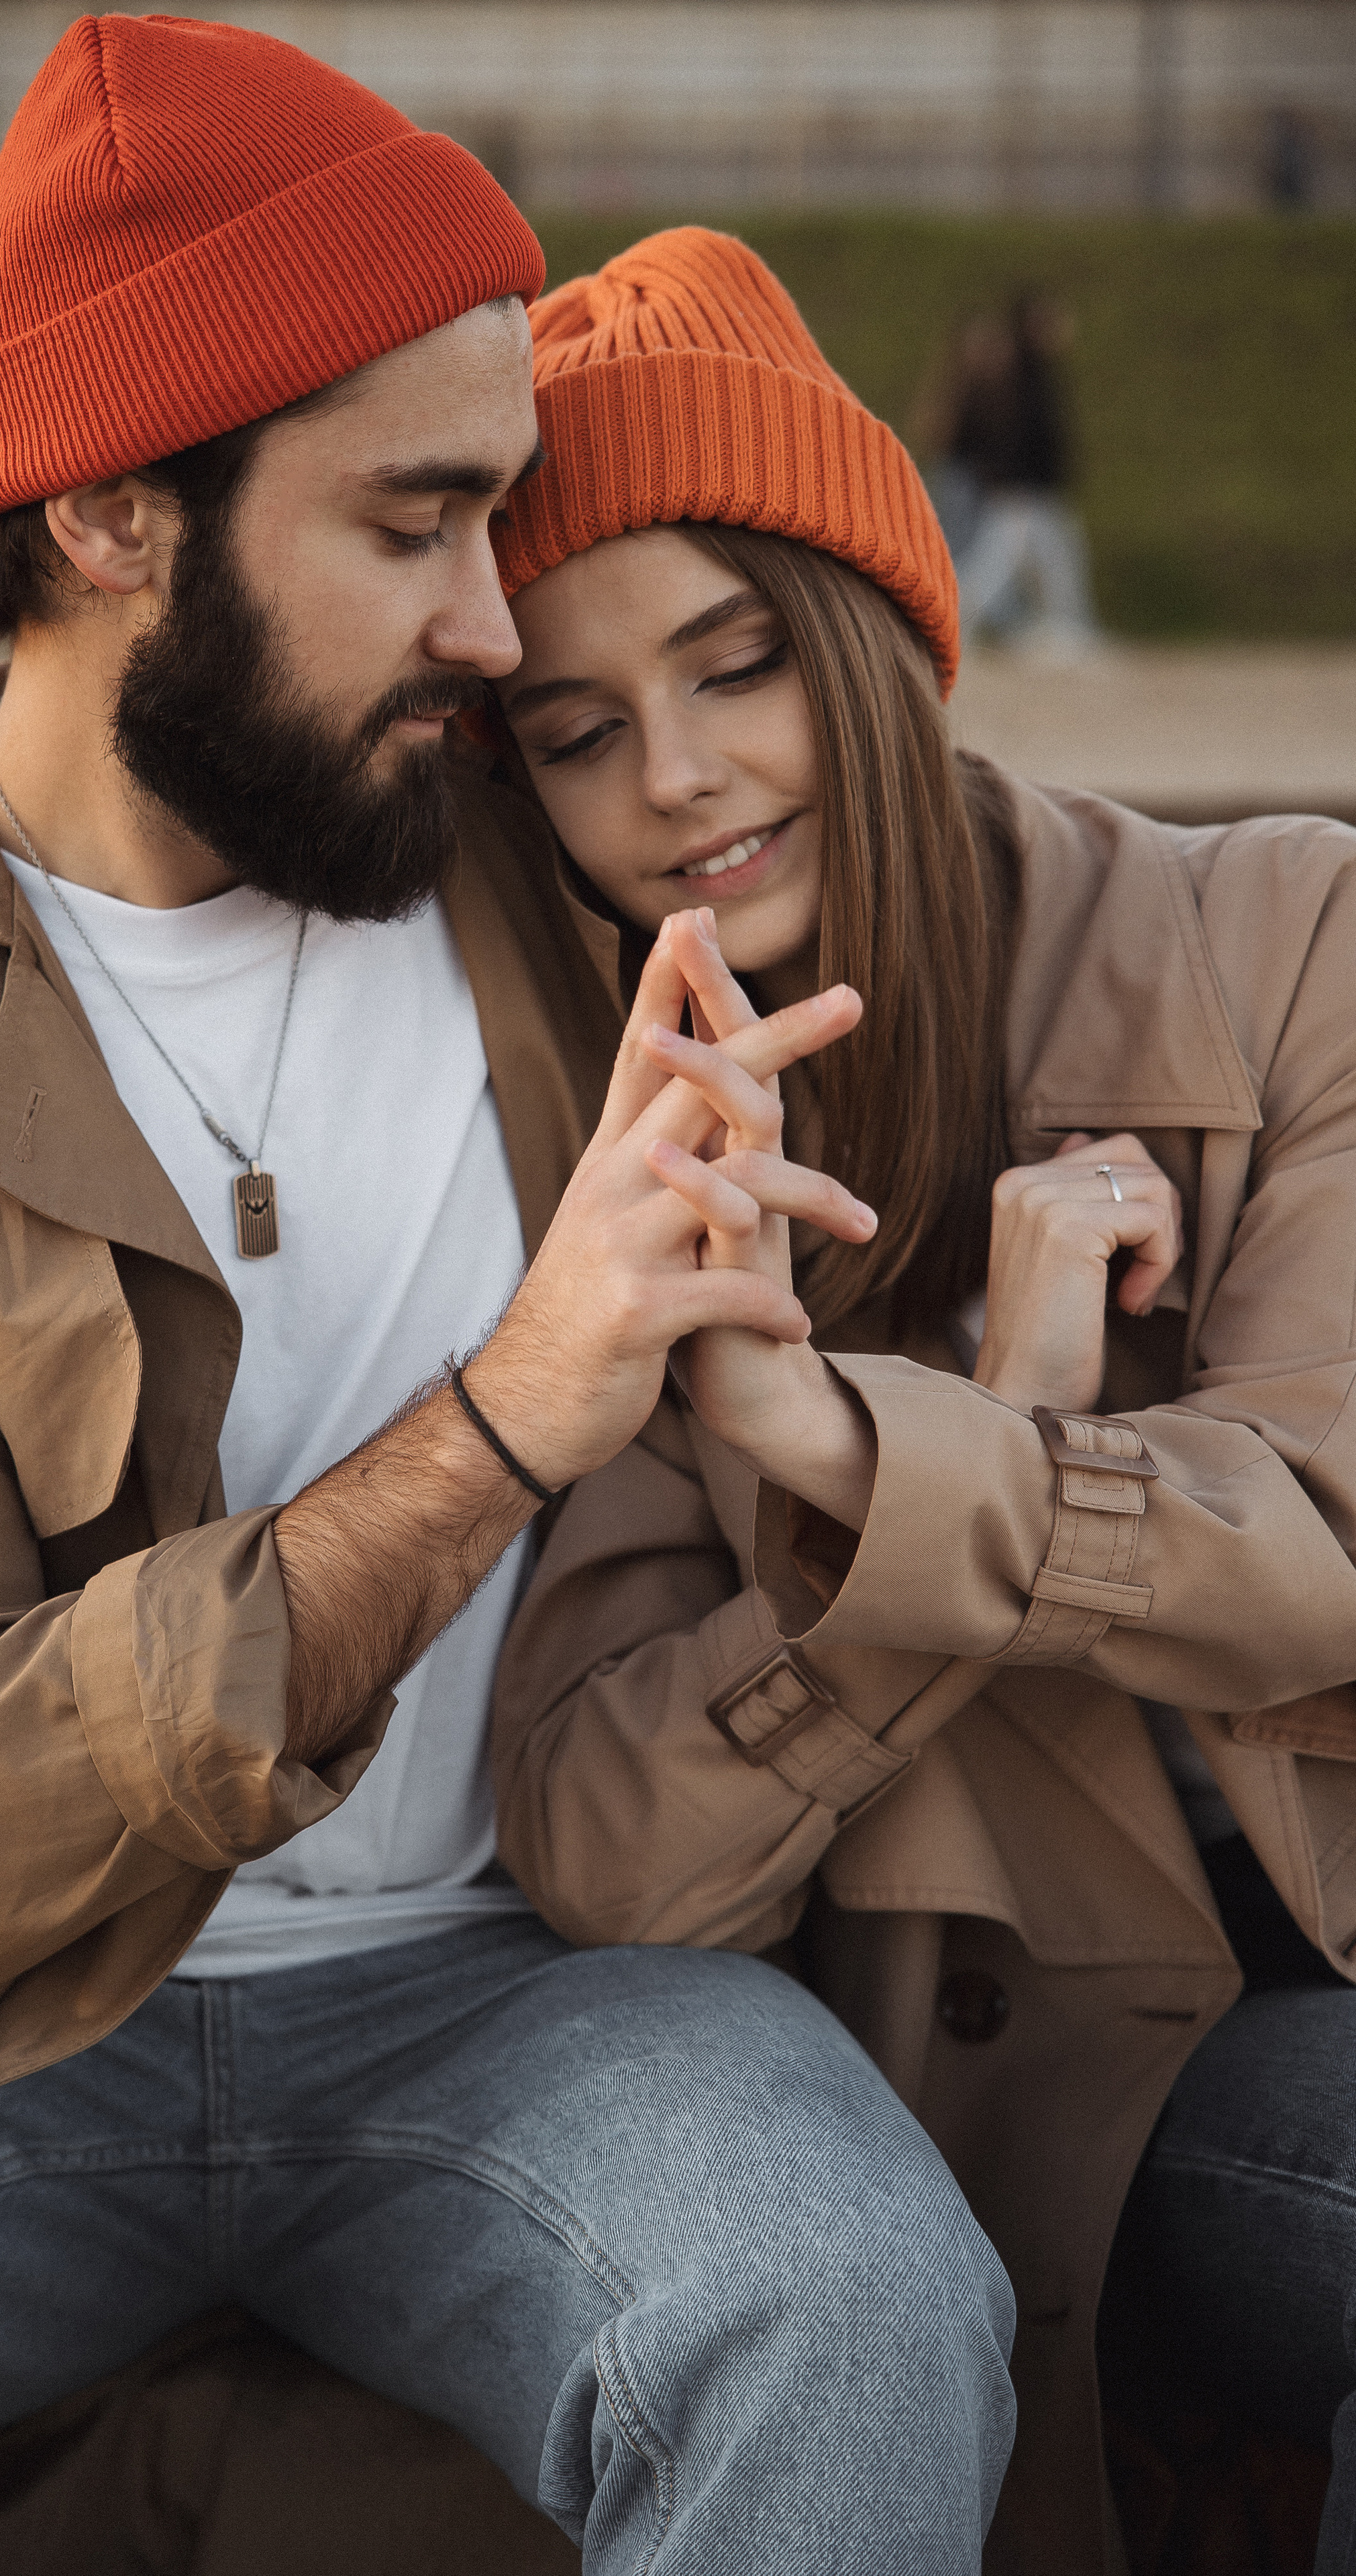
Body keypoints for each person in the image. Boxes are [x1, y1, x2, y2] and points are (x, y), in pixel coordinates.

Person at [0, 29, 1013, 2573]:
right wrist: (500, 1422)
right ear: (110, 514)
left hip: (532, 1979)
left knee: (844, 2298)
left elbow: (968, 831)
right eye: (413, 522)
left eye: (497, 510)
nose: (496, 621)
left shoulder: (537, 840)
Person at [478, 226, 1356, 2576]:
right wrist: (900, 1444)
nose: (677, 776)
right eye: (574, 730)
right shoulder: (618, 1155)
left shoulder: (1285, 933)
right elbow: (606, 1845)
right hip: (1088, 2087)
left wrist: (893, 1453)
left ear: (873, 623)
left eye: (734, 660)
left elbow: (1331, 1546)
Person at [937, 290, 1100, 655]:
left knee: (1055, 565)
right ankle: (950, 625)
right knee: (993, 569)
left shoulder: (1033, 374)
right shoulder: (1020, 378)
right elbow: (1009, 438)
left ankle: (1072, 631)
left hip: (1034, 493)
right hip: (1021, 493)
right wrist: (1008, 482)